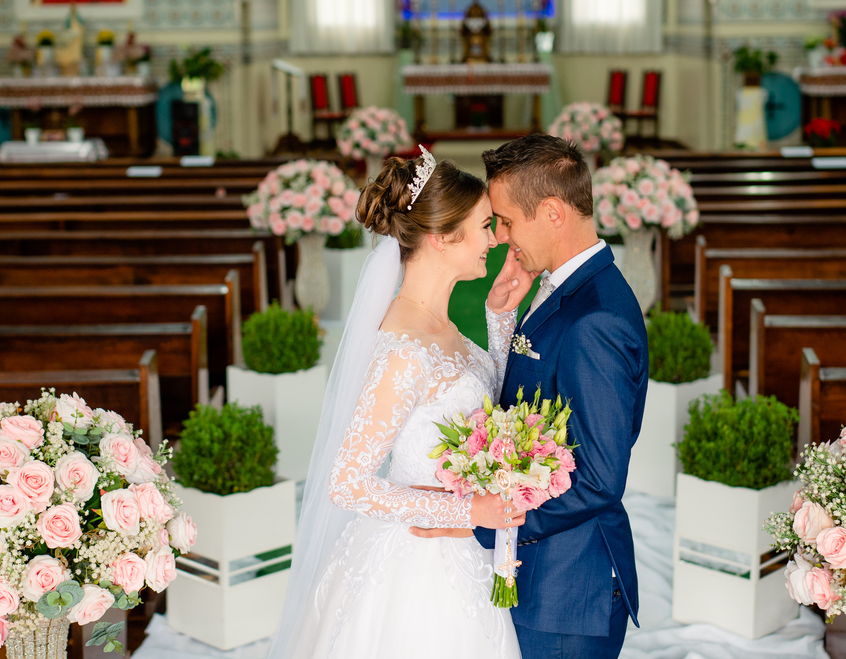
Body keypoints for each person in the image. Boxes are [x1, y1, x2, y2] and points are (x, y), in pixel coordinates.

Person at [268, 146, 536, 659]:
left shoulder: (443, 323)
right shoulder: (404, 350)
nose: (495, 239)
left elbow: (480, 405)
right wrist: (466, 508)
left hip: (463, 548)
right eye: (484, 226)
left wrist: (500, 319)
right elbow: (346, 482)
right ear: (441, 238)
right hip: (417, 566)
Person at [412, 134, 648, 659]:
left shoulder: (597, 320)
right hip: (546, 578)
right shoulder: (562, 286)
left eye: (507, 221)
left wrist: (483, 519)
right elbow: (522, 403)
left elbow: (600, 480)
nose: (499, 237)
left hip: (567, 594)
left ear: (553, 212)